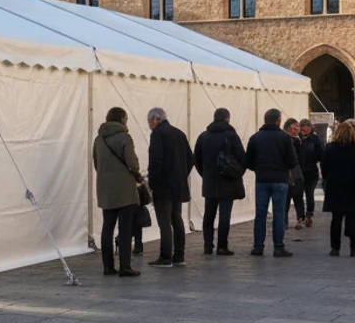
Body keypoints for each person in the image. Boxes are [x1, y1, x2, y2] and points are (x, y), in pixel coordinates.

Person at [92, 107, 143, 277]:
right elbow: (132, 163)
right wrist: (136, 173)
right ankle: (125, 266)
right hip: (124, 189)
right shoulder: (125, 137)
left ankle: (108, 266)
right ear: (122, 119)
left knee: (107, 227)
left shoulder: (98, 139)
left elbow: (96, 163)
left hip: (105, 188)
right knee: (125, 229)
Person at [245, 109, 298, 257]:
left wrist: (258, 169)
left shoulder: (255, 138)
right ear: (278, 120)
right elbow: (293, 161)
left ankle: (258, 246)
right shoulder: (285, 138)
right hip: (280, 179)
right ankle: (278, 246)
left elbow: (248, 161)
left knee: (260, 213)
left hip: (262, 179)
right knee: (279, 213)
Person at [193, 108, 246, 256]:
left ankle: (207, 245)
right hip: (228, 182)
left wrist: (205, 174)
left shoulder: (203, 136)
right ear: (227, 118)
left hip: (209, 181)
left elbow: (196, 159)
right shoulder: (231, 136)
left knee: (209, 214)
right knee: (224, 215)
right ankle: (222, 246)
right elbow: (242, 158)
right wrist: (236, 173)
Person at [146, 107, 193, 268]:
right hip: (178, 184)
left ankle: (165, 257)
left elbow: (155, 161)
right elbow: (190, 158)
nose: (149, 125)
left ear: (156, 119)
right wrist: (182, 174)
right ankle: (179, 256)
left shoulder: (157, 134)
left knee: (164, 221)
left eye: (149, 121)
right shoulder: (179, 133)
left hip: (163, 185)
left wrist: (152, 183)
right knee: (177, 219)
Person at [321, 121, 355, 257]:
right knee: (353, 218)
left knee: (336, 218)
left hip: (335, 186)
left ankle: (335, 248)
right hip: (353, 186)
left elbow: (324, 168)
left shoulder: (330, 148)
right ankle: (354, 247)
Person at [297, 119, 323, 228]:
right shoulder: (297, 139)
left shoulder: (315, 139)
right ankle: (300, 217)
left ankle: (309, 215)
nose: (303, 129)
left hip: (311, 171)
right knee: (298, 195)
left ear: (310, 128)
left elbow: (320, 154)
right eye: (302, 126)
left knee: (309, 193)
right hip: (298, 171)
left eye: (306, 126)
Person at [284, 118, 307, 230]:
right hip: (286, 173)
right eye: (294, 128)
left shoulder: (298, 141)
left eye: (297, 128)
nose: (296, 130)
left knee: (298, 197)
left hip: (296, 173)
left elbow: (301, 159)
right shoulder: (283, 139)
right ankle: (284, 221)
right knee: (286, 199)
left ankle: (300, 219)